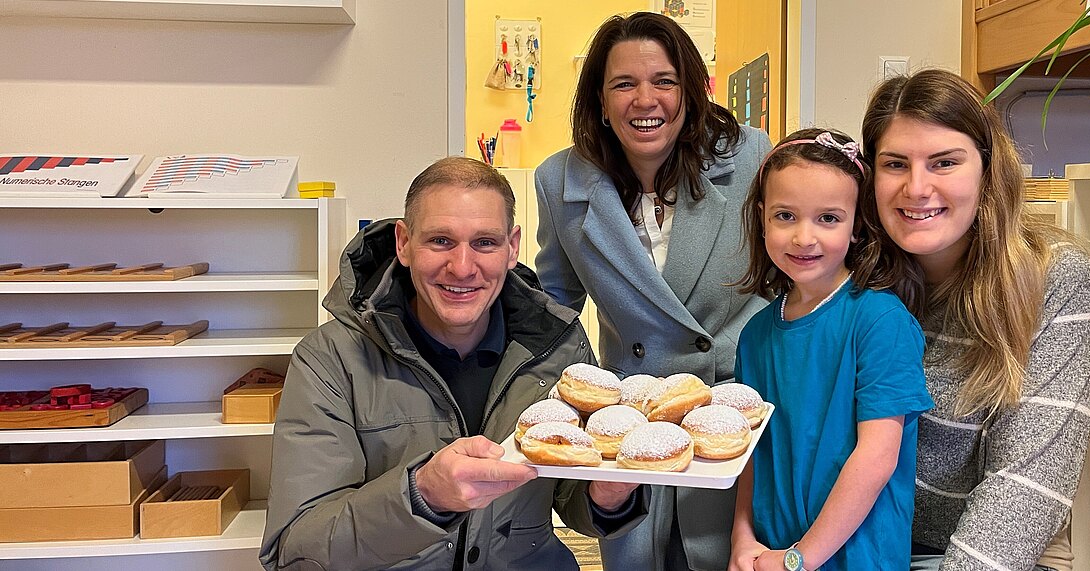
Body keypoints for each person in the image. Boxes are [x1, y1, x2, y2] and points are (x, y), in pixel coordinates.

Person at [260, 157, 645, 571]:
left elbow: (571, 499)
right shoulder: (330, 360)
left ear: (512, 247)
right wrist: (421, 495)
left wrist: (607, 494)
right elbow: (295, 551)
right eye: (441, 240)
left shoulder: (559, 348)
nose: (462, 268)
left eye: (484, 242)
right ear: (403, 243)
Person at [533, 11, 771, 571]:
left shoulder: (752, 158)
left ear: (690, 91)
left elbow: (795, 276)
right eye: (624, 84)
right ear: (598, 99)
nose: (646, 100)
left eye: (664, 81)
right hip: (632, 433)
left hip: (732, 422)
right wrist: (580, 410)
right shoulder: (558, 181)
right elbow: (554, 311)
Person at [857, 69, 1090, 571]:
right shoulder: (856, 273)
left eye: (944, 162)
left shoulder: (1055, 277)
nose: (917, 187)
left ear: (988, 170)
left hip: (993, 554)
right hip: (866, 541)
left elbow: (1026, 489)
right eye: (895, 164)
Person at [727, 128, 934, 571]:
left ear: (857, 225)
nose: (804, 237)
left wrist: (800, 558)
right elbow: (751, 455)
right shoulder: (756, 335)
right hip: (770, 558)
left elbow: (877, 456)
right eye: (785, 216)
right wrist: (742, 538)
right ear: (762, 218)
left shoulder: (881, 321)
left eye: (828, 218)